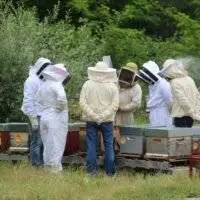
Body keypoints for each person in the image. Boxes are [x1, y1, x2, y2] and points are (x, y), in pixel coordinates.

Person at [79, 61, 119, 176]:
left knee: (91, 144)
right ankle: (110, 173)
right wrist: (103, 116)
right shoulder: (112, 86)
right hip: (107, 121)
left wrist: (94, 115)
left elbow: (82, 102)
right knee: (109, 145)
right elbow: (115, 105)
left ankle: (92, 172)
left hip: (91, 120)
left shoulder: (87, 84)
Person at [38, 63, 70, 173]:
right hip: (55, 118)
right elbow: (61, 99)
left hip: (44, 117)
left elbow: (38, 99)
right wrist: (58, 109)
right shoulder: (57, 84)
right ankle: (55, 171)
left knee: (47, 144)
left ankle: (47, 168)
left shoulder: (44, 84)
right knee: (57, 143)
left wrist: (48, 108)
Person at [21, 57, 52, 166]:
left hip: (44, 114)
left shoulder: (45, 80)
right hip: (34, 114)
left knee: (43, 140)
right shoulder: (31, 81)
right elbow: (28, 101)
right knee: (36, 140)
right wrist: (33, 118)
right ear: (40, 68)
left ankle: (42, 163)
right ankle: (36, 165)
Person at [160, 58, 200, 127]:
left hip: (181, 117)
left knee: (181, 137)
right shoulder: (189, 78)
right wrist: (196, 112)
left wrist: (193, 114)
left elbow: (183, 100)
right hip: (190, 116)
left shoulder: (174, 82)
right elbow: (197, 96)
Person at [137, 60, 172, 127]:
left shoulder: (163, 84)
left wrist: (170, 113)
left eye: (148, 72)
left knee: (162, 134)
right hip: (153, 112)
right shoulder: (152, 84)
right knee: (154, 134)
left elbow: (169, 100)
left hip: (163, 113)